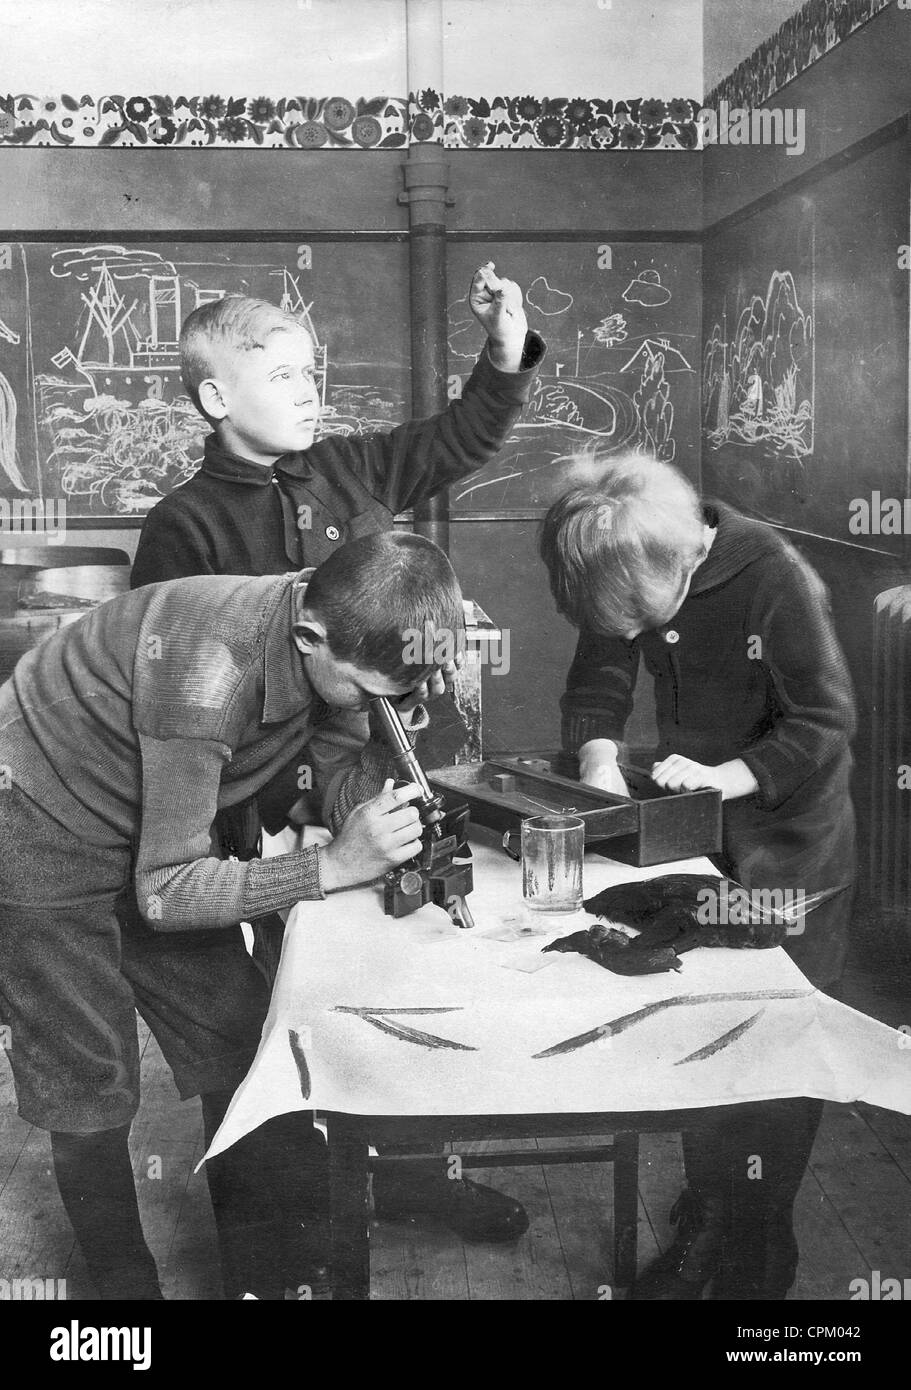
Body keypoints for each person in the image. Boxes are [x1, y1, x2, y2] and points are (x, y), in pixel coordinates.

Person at [129, 265, 542, 1245]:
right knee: (266, 1008)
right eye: (282, 375)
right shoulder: (180, 527)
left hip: (388, 767)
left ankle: (409, 1174)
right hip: (257, 806)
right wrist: (270, 825)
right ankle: (278, 1227)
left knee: (400, 979)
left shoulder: (355, 465)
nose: (310, 389)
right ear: (216, 398)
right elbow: (180, 697)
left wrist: (503, 342)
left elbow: (463, 435)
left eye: (313, 370)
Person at [0, 532, 467, 1300]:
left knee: (245, 1036)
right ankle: (126, 1299)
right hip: (39, 820)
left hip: (154, 819)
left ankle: (272, 1278)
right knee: (88, 1080)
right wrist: (332, 867)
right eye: (370, 691)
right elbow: (167, 894)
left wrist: (399, 741)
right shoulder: (209, 671)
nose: (378, 705)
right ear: (310, 636)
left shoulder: (338, 633)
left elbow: (337, 788)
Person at [539, 453, 857, 1300]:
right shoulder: (620, 548)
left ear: (683, 561)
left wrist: (736, 776)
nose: (637, 638)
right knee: (696, 1036)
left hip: (792, 857)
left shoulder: (774, 577)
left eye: (647, 620)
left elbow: (826, 719)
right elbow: (599, 678)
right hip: (702, 846)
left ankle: (756, 1260)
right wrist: (598, 755)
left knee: (771, 1062)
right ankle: (709, 1219)